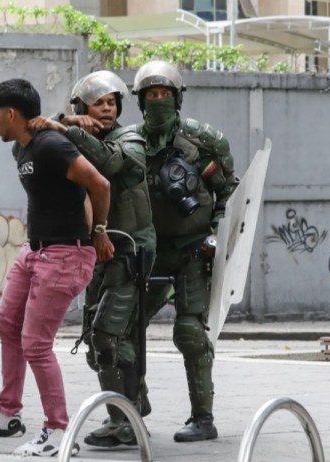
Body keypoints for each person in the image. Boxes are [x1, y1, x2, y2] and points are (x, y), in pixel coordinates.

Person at [0, 78, 110, 457]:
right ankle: (8, 412)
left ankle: (59, 432)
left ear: (11, 113)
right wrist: (65, 120)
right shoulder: (24, 147)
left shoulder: (50, 146)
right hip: (35, 252)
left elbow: (100, 184)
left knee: (36, 345)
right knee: (7, 324)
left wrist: (101, 233)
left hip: (65, 255)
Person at [27, 70, 155, 448]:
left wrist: (72, 130)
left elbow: (112, 166)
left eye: (112, 102)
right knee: (98, 344)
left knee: (109, 337)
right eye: (98, 103)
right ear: (81, 107)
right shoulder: (71, 136)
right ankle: (132, 406)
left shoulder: (129, 139)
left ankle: (125, 421)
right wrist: (63, 122)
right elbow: (31, 145)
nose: (107, 109)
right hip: (96, 253)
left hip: (131, 252)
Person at [132, 60, 240, 442]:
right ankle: (130, 404)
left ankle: (203, 418)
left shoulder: (200, 142)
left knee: (190, 331)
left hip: (194, 249)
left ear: (177, 98)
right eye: (150, 95)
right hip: (149, 250)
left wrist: (217, 235)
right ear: (141, 101)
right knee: (126, 329)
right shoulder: (131, 144)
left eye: (164, 94)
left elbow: (229, 193)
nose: (157, 100)